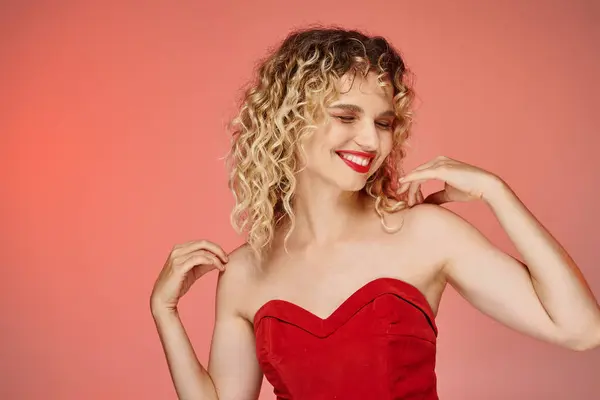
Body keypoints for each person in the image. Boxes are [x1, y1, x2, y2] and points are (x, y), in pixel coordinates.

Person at [150, 27, 600, 400]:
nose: (370, 141)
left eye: (383, 123)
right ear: (288, 123)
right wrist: (165, 311)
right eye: (346, 117)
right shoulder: (246, 271)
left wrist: (497, 193)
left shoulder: (424, 233)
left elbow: (581, 329)